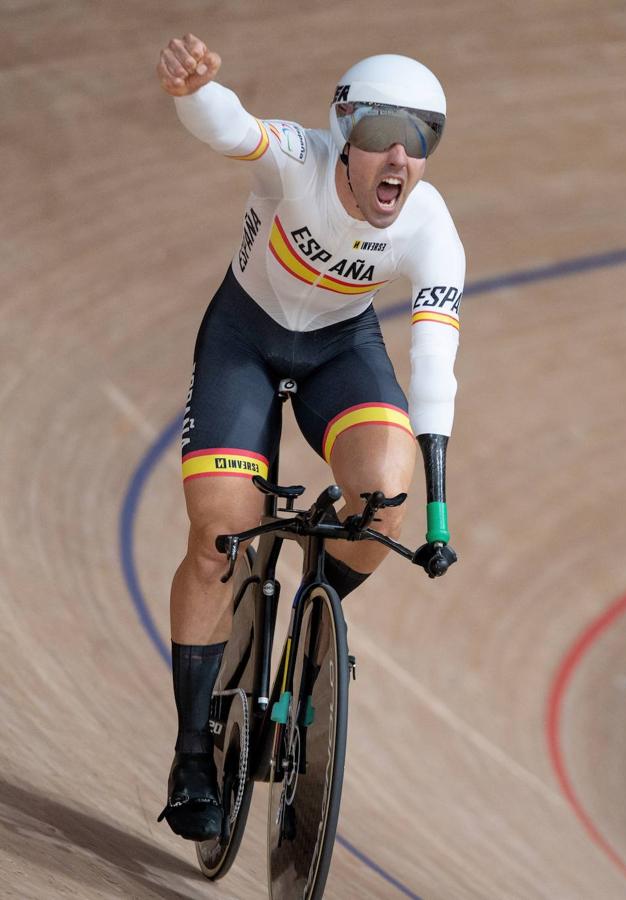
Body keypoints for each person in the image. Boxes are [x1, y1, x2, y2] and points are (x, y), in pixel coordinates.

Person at [155, 33, 464, 842]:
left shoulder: (432, 229)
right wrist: (193, 92)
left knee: (382, 505)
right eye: (377, 135)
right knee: (218, 533)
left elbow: (434, 366)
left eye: (421, 137)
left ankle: (308, 615)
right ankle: (193, 752)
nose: (398, 156)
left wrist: (436, 518)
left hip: (339, 351)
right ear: (342, 132)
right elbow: (233, 127)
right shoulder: (298, 158)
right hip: (243, 343)